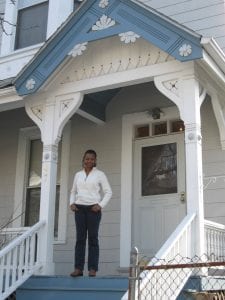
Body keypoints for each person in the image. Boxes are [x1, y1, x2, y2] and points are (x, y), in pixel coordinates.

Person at [69, 149, 112, 277]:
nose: (89, 161)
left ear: (95, 160)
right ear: (83, 160)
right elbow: (73, 191)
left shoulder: (100, 174)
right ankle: (78, 268)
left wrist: (100, 205)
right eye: (87, 158)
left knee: (93, 239)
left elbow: (108, 192)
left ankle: (92, 269)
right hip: (79, 209)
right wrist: (71, 203)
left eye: (92, 159)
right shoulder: (78, 175)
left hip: (93, 210)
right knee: (80, 239)